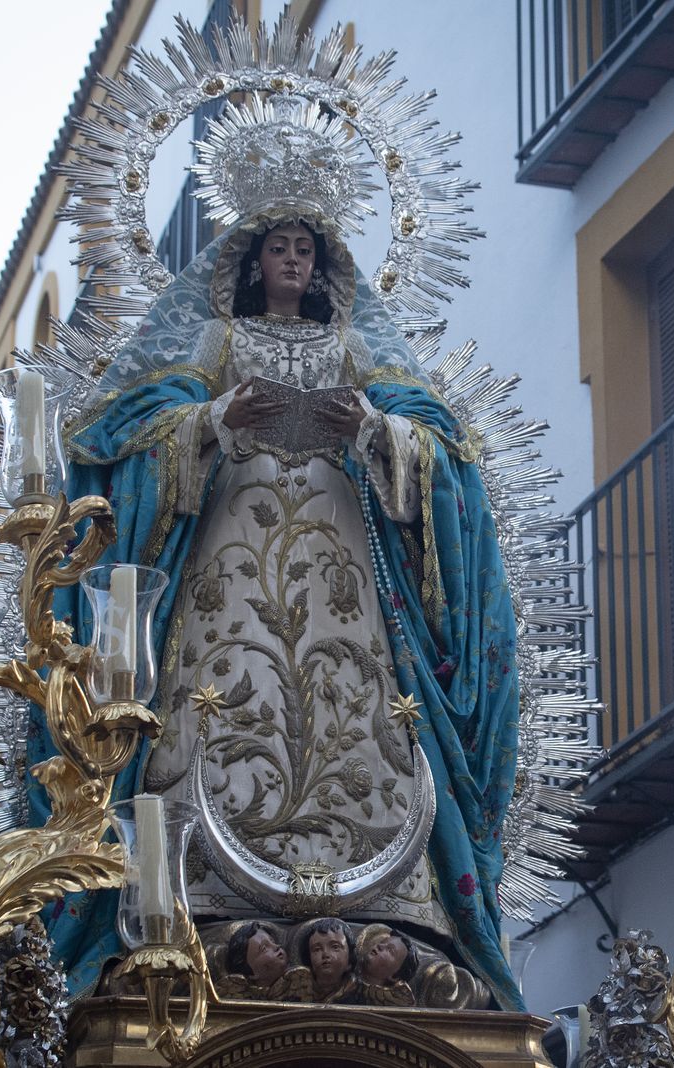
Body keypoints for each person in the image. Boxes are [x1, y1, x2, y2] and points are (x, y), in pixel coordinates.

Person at [32, 197, 523, 1011]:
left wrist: (374, 432)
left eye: (306, 250)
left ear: (324, 267)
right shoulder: (214, 340)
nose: (294, 262)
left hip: (345, 580)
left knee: (357, 709)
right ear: (250, 263)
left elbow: (442, 457)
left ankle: (388, 903)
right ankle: (184, 896)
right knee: (215, 711)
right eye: (279, 249)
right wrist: (216, 420)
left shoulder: (359, 349)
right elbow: (123, 440)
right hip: (227, 577)